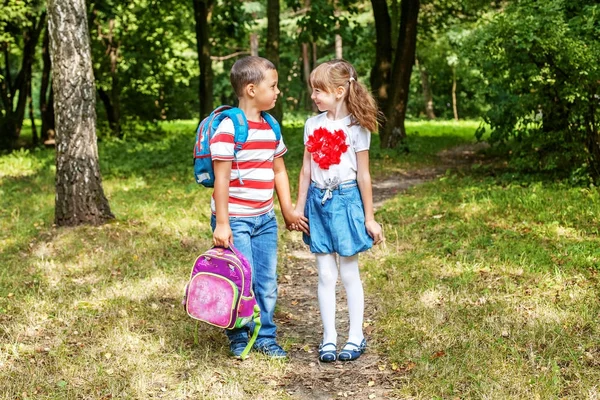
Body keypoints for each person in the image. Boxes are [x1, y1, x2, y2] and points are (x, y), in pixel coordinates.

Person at [210, 56, 308, 358]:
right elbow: (221, 179)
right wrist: (223, 223)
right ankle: (238, 335)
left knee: (266, 281)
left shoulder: (271, 127)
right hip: (236, 219)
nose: (278, 91)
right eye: (273, 86)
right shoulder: (229, 128)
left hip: (264, 218)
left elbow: (278, 170)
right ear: (251, 90)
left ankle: (265, 335)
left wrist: (288, 209)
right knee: (242, 278)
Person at [290, 59, 384, 363]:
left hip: (346, 202)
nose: (314, 96)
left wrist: (369, 217)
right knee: (325, 274)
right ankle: (329, 337)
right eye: (313, 90)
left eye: (320, 91)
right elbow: (306, 170)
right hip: (317, 204)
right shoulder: (312, 124)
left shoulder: (357, 128)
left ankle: (355, 336)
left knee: (348, 271)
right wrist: (298, 207)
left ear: (341, 91)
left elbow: (364, 176)